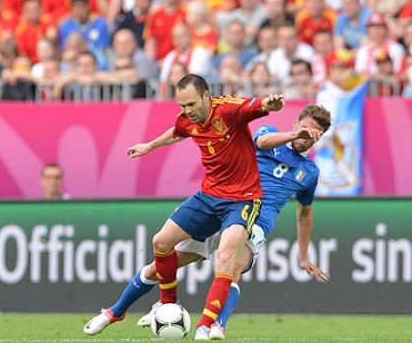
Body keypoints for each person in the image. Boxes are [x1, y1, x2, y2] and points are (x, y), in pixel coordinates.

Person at [84, 104, 331, 340]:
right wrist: (292, 135)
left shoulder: (310, 172)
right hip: (227, 203)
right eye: (304, 128)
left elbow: (304, 213)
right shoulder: (270, 134)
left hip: (256, 220)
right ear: (295, 123)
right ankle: (115, 312)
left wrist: (303, 256)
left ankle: (215, 325)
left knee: (232, 268)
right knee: (159, 264)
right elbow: (262, 142)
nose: (306, 136)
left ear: (319, 138)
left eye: (314, 134)